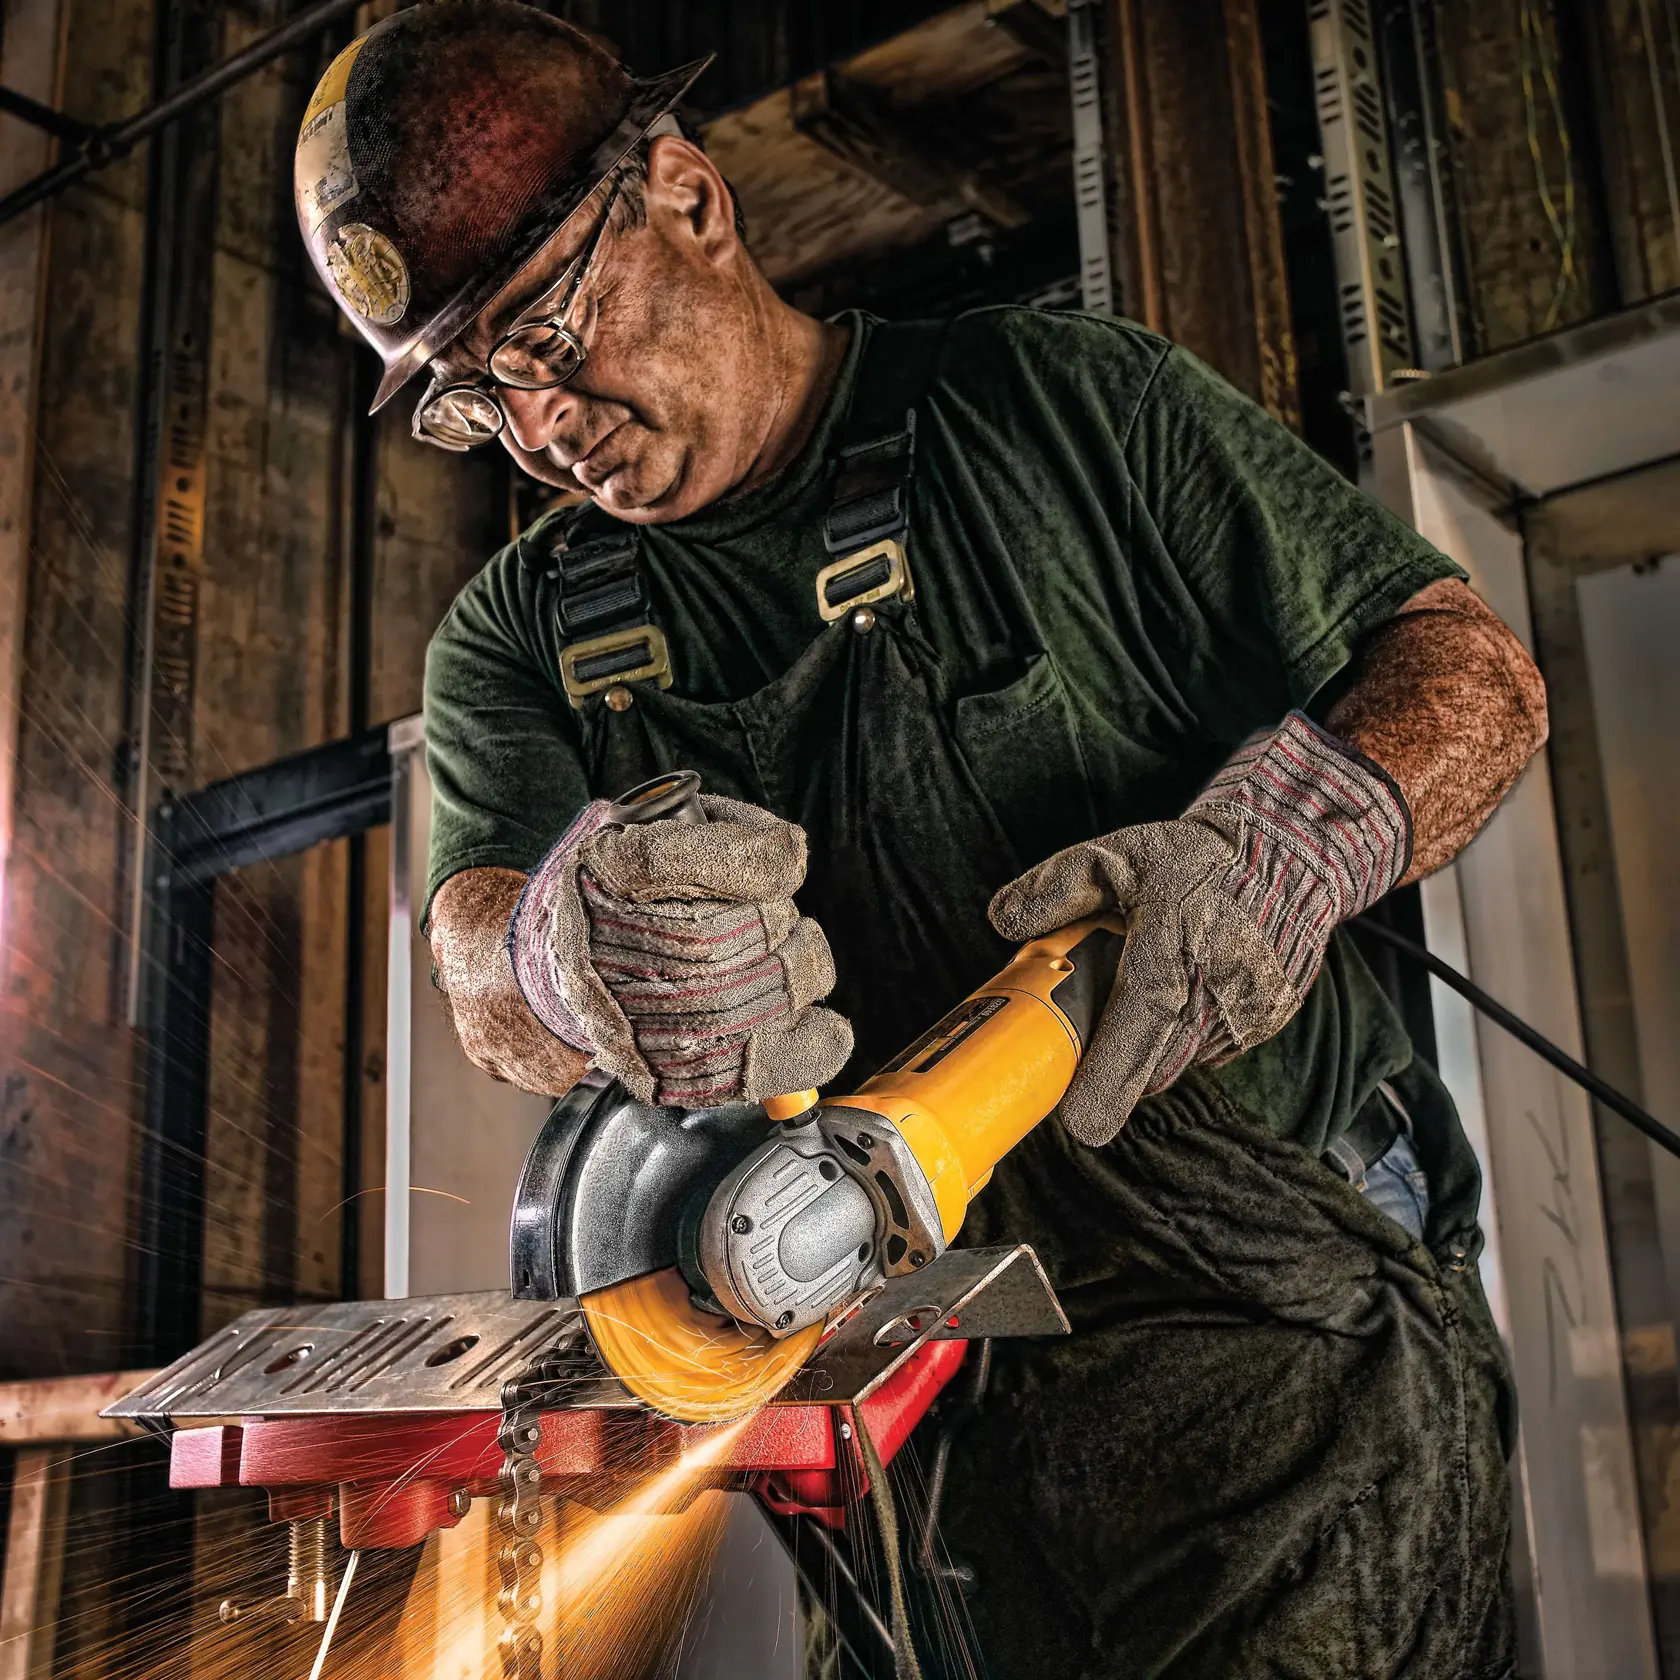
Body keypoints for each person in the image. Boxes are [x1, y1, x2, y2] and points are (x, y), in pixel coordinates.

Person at [295, 7, 1547, 1676]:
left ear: (686, 194)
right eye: (469, 393)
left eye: (541, 326)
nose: (532, 420)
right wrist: (553, 952)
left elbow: (1472, 673)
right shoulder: (518, 636)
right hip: (898, 1420)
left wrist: (1289, 842)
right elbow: (476, 966)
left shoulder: (1061, 411)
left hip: (1275, 1376)